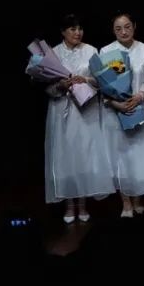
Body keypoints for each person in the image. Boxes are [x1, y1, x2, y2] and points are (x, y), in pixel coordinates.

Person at [42, 14, 115, 223]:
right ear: (63, 31)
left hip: (86, 109)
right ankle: (68, 204)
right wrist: (61, 85)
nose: (78, 33)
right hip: (62, 110)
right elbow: (47, 88)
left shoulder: (91, 50)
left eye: (80, 28)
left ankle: (83, 203)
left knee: (85, 155)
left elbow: (104, 80)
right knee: (65, 156)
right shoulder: (53, 53)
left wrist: (87, 79)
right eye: (73, 29)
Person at [100, 13, 144, 217]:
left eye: (127, 27)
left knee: (141, 156)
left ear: (134, 26)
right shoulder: (106, 51)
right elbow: (103, 83)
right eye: (118, 28)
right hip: (118, 110)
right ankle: (126, 203)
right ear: (113, 31)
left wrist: (141, 94)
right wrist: (117, 103)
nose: (124, 32)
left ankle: (137, 201)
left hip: (141, 106)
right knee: (121, 157)